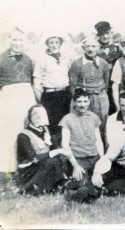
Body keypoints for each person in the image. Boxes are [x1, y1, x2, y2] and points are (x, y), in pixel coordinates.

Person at [0, 28, 36, 176]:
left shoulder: (28, 59)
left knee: (27, 130)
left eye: (20, 40)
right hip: (8, 97)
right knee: (9, 132)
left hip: (26, 96)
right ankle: (9, 168)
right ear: (9, 40)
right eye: (14, 39)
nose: (17, 43)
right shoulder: (1, 58)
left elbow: (32, 81)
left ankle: (27, 166)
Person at [16, 105, 70, 195]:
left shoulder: (46, 131)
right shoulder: (23, 135)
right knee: (52, 161)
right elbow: (34, 159)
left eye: (41, 114)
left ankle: (59, 184)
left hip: (44, 166)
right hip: (29, 170)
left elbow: (55, 149)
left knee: (61, 160)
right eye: (35, 115)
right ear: (30, 118)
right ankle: (33, 188)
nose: (38, 117)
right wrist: (56, 152)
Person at [59, 89, 104, 184]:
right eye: (79, 101)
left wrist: (102, 160)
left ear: (89, 102)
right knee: (81, 183)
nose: (82, 105)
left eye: (85, 101)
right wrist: (75, 166)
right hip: (78, 159)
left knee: (105, 179)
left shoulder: (94, 117)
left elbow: (98, 141)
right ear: (74, 103)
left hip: (94, 157)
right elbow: (65, 145)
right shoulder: (67, 119)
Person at [69, 35, 110, 136]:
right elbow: (72, 85)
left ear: (98, 48)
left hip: (100, 97)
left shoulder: (103, 63)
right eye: (88, 46)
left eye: (93, 46)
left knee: (102, 123)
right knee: (82, 123)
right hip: (84, 98)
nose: (90, 49)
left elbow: (106, 81)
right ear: (83, 48)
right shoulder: (77, 64)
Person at [33, 32, 72, 136]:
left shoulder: (66, 58)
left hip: (64, 94)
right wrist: (40, 100)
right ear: (47, 44)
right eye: (51, 42)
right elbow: (37, 81)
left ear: (60, 44)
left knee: (66, 124)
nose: (54, 45)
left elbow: (69, 74)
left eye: (56, 42)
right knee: (52, 126)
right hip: (50, 96)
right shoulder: (42, 59)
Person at [95, 21, 123, 116]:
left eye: (107, 33)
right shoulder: (94, 48)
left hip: (116, 83)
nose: (105, 36)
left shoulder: (117, 48)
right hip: (101, 84)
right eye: (102, 34)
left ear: (111, 33)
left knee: (117, 108)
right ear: (98, 35)